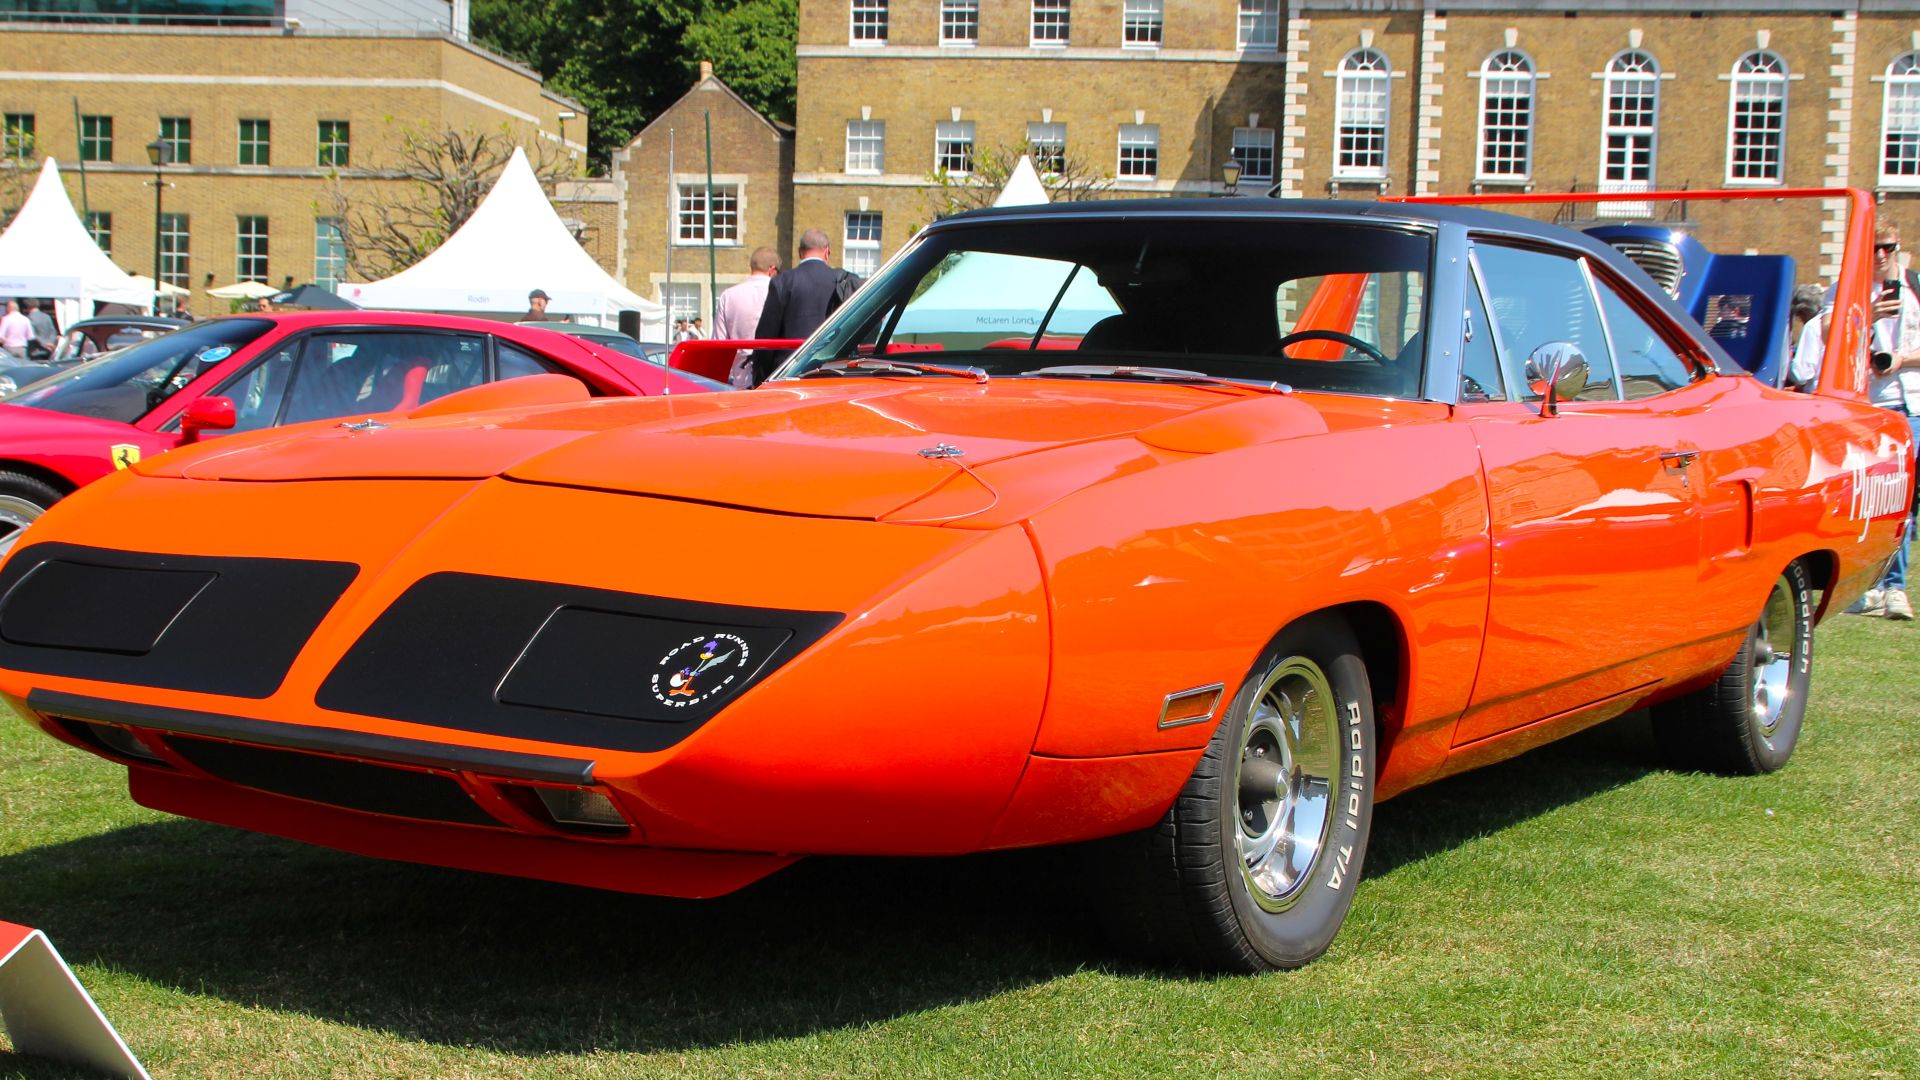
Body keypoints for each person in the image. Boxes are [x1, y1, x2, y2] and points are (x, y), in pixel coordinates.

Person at [1802, 219, 1920, 620]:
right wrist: (1866, 310)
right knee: (1864, 498)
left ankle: (1895, 588)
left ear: (1897, 245)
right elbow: (1828, 332)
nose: (1880, 256)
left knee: (1903, 499)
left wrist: (1902, 360)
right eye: (1873, 249)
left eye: (1887, 247)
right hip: (1864, 406)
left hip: (1908, 404)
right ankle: (1865, 586)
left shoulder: (1915, 286)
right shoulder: (1848, 289)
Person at [749, 228, 843, 386]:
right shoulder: (841, 281)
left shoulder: (782, 282)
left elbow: (766, 335)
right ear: (827, 252)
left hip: (789, 372)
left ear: (800, 252)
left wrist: (759, 378)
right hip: (831, 372)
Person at [715, 246, 779, 388]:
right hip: (773, 378)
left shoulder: (729, 295)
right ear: (772, 269)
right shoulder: (780, 292)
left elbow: (718, 345)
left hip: (740, 380)